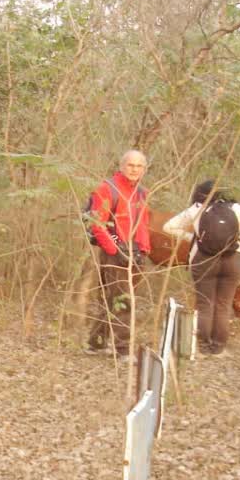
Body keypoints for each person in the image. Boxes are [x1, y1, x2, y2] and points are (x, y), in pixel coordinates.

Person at [162, 179, 240, 356]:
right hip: (232, 260)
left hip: (204, 261)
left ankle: (203, 347)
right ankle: (218, 348)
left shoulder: (196, 209)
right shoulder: (235, 208)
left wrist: (191, 238)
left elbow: (168, 227)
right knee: (223, 305)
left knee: (205, 304)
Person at [82, 150, 152, 357]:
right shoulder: (107, 189)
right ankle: (123, 350)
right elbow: (98, 225)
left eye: (139, 166)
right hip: (113, 253)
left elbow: (143, 224)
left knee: (112, 299)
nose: (134, 170)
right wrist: (115, 249)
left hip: (136, 253)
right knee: (123, 300)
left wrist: (144, 249)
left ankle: (96, 343)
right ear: (122, 166)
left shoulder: (142, 192)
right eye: (131, 165)